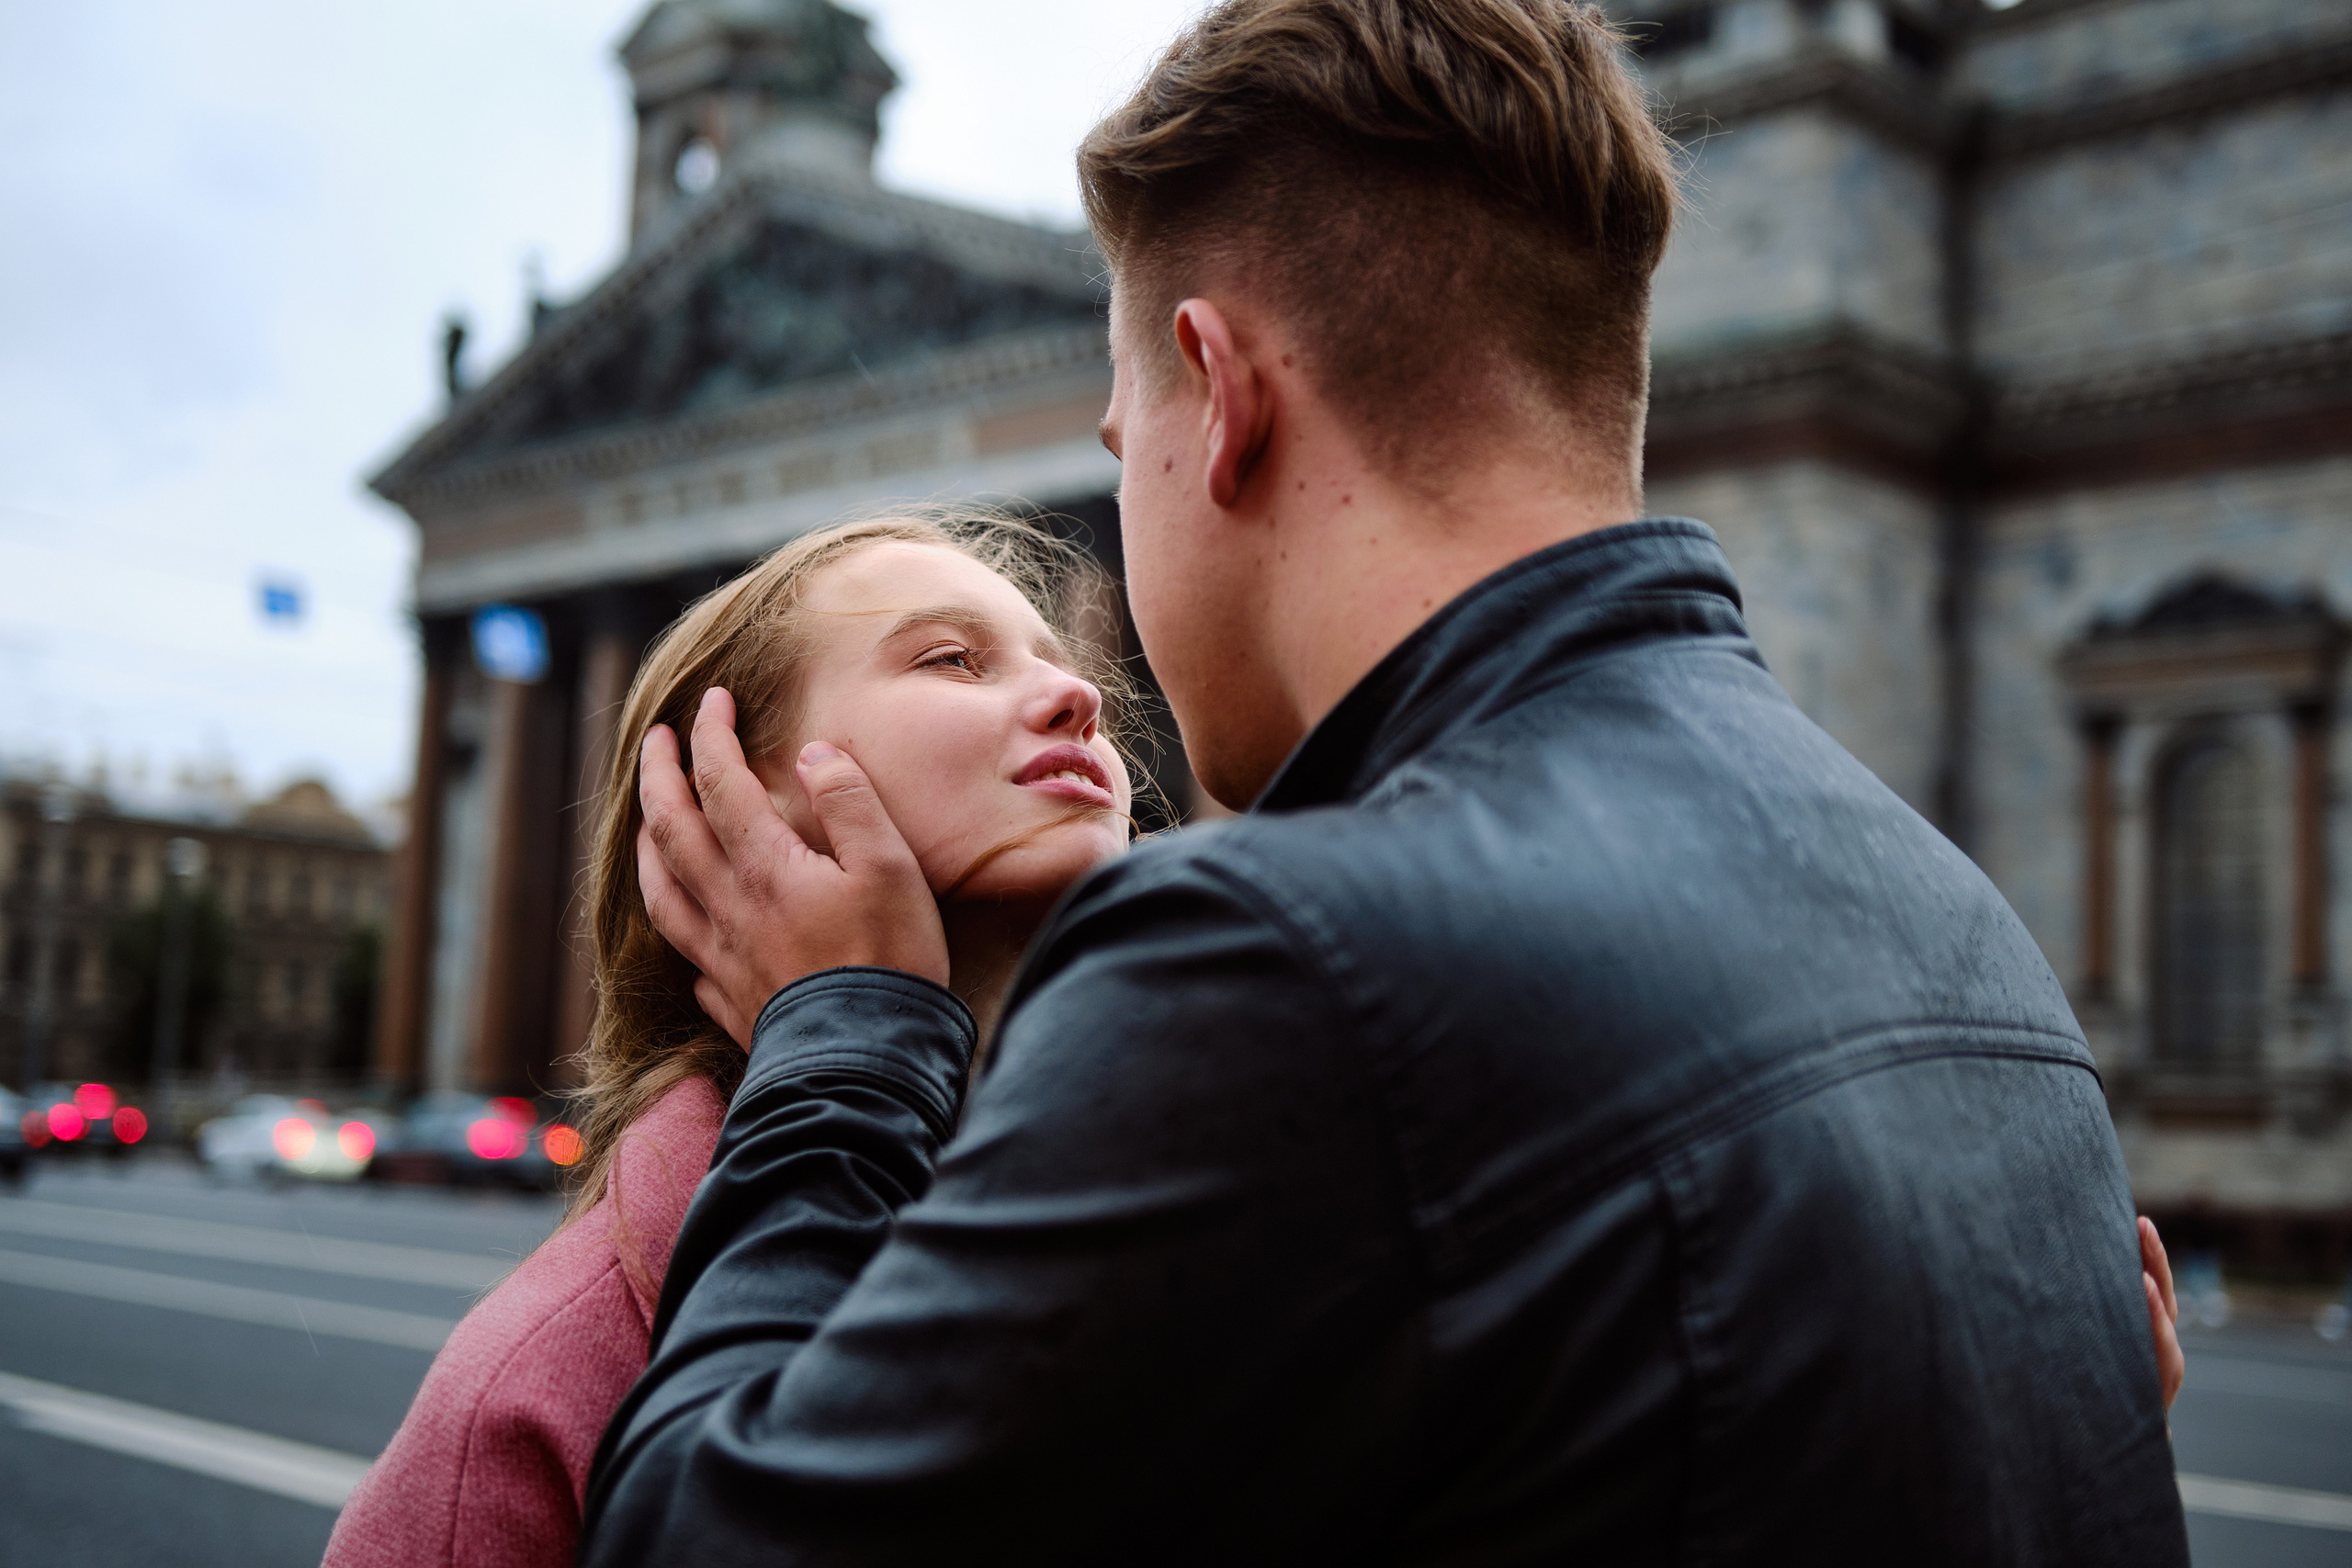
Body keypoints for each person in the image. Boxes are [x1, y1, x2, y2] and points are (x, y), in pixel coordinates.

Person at [587, 2, 2194, 1562]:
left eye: (1117, 431)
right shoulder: (1973, 935)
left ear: (1220, 397)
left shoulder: (1283, 958)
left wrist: (845, 1037)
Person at [321, 512, 1142, 1568]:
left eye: (1059, 663)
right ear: (726, 801)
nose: (1086, 697)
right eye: (953, 660)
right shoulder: (530, 1392)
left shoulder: (1213, 1198)